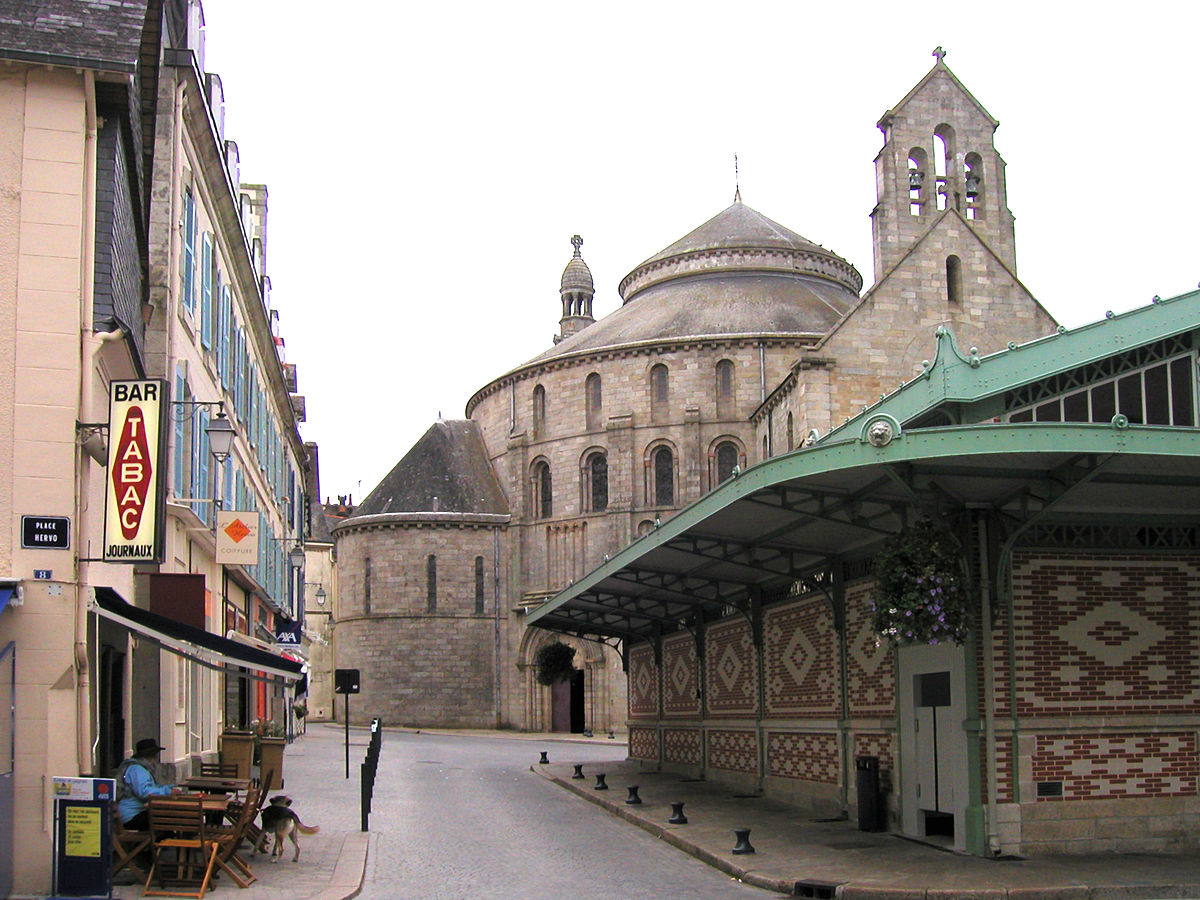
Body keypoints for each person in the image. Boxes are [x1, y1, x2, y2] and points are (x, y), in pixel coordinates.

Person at [115, 738, 178, 830]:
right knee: (167, 819)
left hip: (137, 812)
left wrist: (169, 788)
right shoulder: (136, 769)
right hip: (132, 816)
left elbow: (152, 787)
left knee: (166, 818)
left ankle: (163, 840)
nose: (156, 758)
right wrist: (167, 791)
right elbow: (144, 792)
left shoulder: (142, 769)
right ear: (150, 756)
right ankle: (162, 842)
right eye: (155, 755)